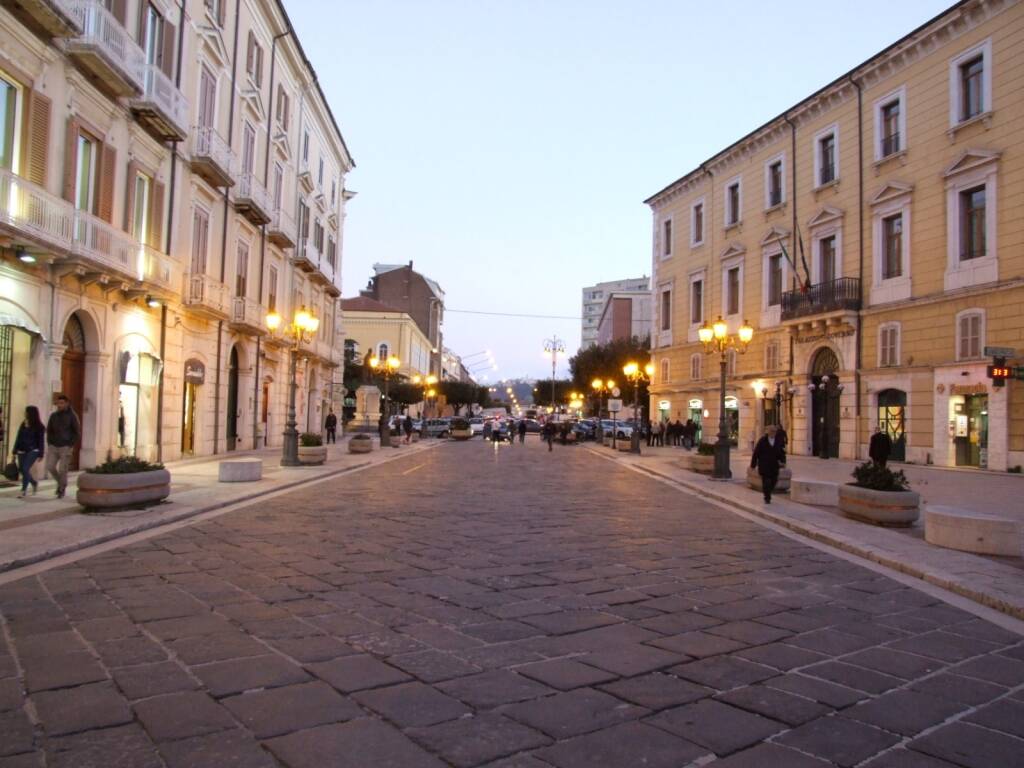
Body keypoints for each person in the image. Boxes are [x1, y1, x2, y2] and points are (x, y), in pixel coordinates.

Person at [45, 394, 80, 499]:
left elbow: (77, 432)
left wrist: (70, 444)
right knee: (50, 467)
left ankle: (61, 489)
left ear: (67, 404)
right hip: (54, 446)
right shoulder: (53, 416)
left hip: (65, 446)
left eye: (62, 403)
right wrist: (50, 443)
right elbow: (49, 430)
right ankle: (61, 483)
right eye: (58, 403)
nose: (59, 405)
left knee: (62, 469)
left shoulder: (72, 416)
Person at [13, 406, 45, 498]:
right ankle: (34, 483)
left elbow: (41, 440)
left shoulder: (39, 426)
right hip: (21, 450)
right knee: (22, 469)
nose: (25, 413)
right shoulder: (23, 424)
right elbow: (18, 437)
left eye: (26, 412)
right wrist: (14, 450)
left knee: (25, 468)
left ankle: (23, 490)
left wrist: (41, 453)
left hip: (33, 450)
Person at [751, 424, 787, 504]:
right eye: (772, 431)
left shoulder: (778, 440)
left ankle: (768, 492)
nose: (773, 433)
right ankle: (767, 497)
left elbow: (781, 452)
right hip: (764, 465)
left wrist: (783, 461)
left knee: (774, 481)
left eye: (774, 431)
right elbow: (756, 453)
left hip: (774, 465)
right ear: (768, 432)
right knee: (766, 481)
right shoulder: (762, 440)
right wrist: (753, 464)